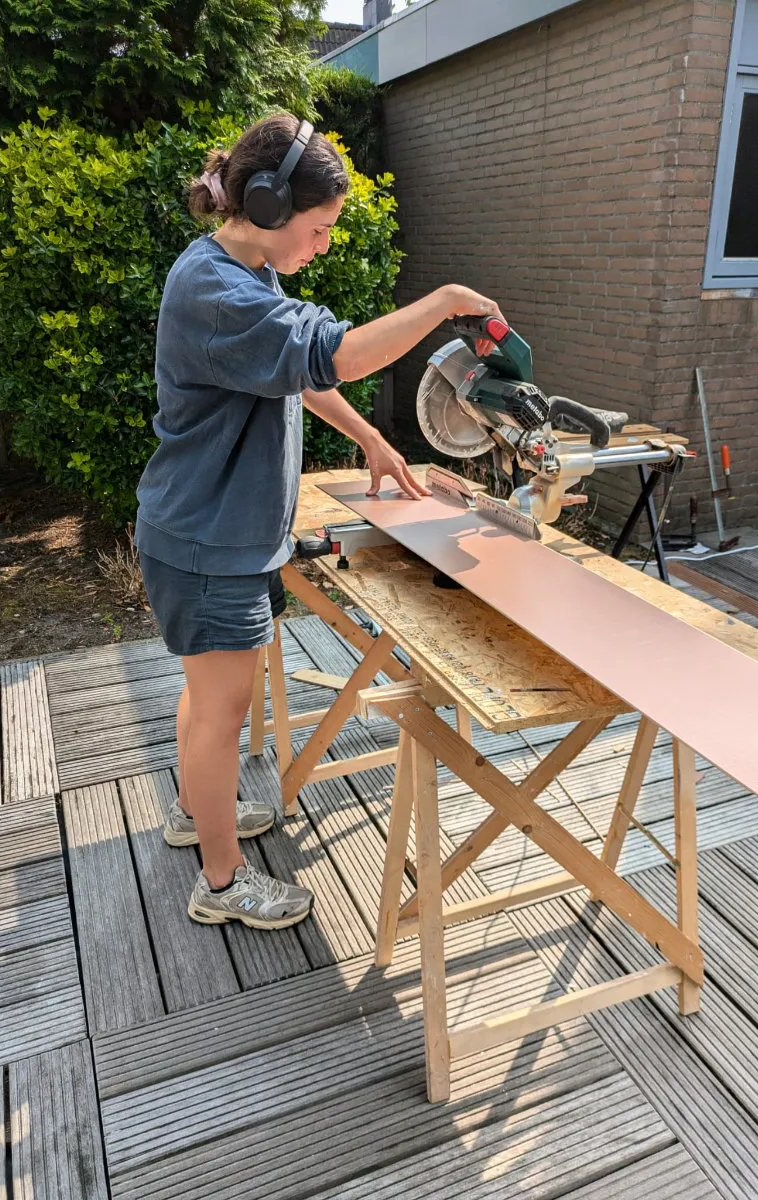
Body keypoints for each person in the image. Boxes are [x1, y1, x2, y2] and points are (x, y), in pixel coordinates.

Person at [134, 111, 504, 932]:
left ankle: (201, 816)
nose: (327, 244)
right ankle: (222, 885)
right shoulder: (213, 287)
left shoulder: (244, 271)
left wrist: (369, 436)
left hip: (216, 530)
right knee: (220, 709)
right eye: (323, 227)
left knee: (208, 698)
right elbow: (328, 353)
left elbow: (292, 371)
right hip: (208, 538)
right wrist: (442, 303)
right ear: (267, 206)